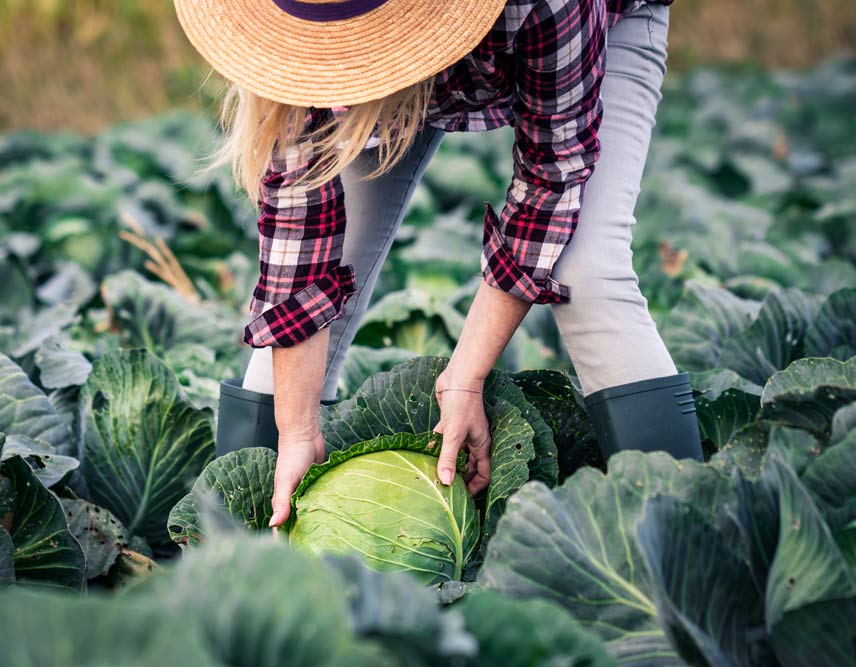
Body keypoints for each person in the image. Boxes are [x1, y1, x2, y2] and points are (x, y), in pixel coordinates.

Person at [174, 0, 703, 528]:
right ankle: (237, 550)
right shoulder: (298, 32)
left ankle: (686, 552)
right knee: (307, 312)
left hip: (601, 24)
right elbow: (298, 236)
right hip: (387, 53)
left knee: (587, 270)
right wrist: (294, 431)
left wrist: (466, 379)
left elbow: (553, 178)